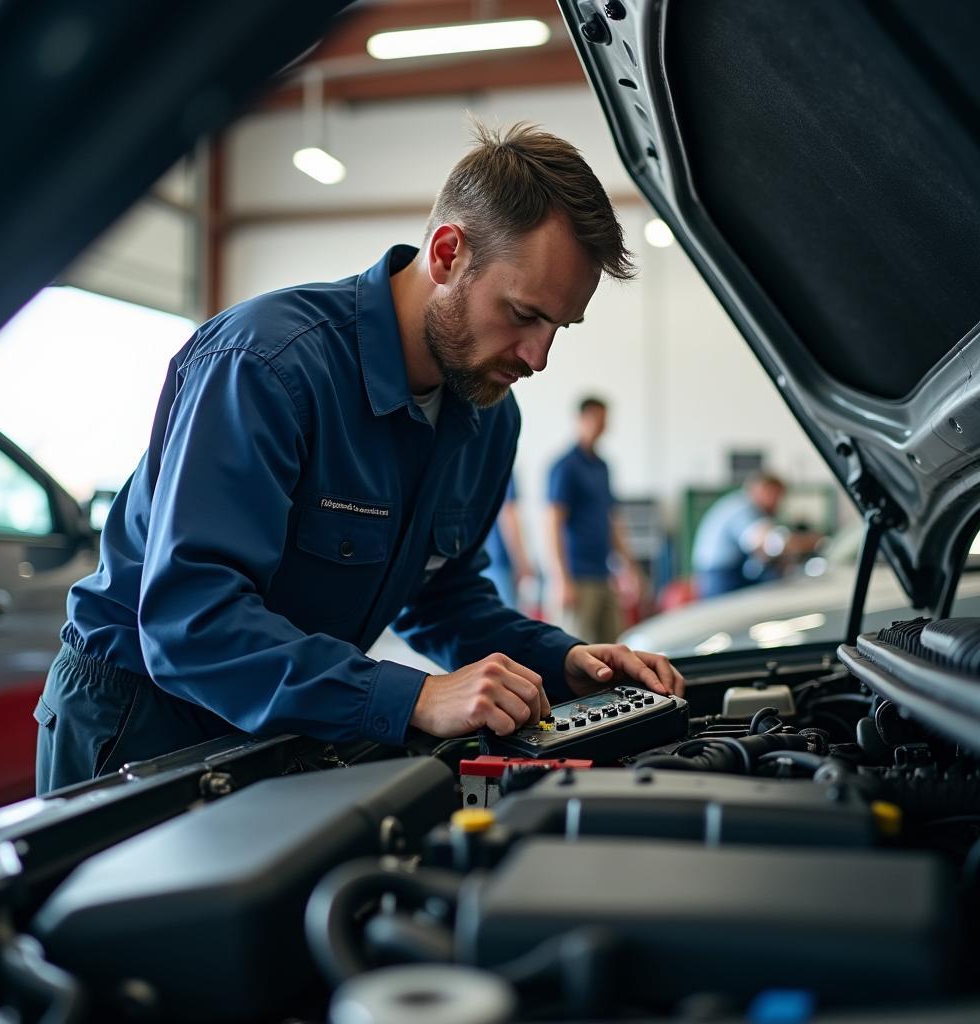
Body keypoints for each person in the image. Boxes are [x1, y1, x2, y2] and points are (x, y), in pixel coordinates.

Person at [35, 122, 684, 793]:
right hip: (143, 723)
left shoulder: (488, 412)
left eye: (558, 327)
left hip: (288, 719)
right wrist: (414, 698)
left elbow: (442, 597)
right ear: (446, 253)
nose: (538, 357)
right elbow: (191, 622)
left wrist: (564, 658)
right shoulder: (267, 366)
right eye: (523, 313)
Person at [546, 397, 641, 644]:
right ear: (581, 420)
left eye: (604, 420)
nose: (601, 426)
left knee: (613, 647)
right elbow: (552, 523)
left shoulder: (602, 467)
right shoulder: (565, 467)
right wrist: (560, 578)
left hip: (603, 574)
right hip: (576, 577)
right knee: (577, 649)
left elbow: (612, 520)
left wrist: (629, 567)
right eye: (595, 419)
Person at [691, 473, 820, 598]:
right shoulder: (742, 508)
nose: (778, 504)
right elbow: (769, 542)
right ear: (766, 490)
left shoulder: (742, 504)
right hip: (722, 577)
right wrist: (812, 542)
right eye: (777, 496)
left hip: (723, 574)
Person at [480, 476, 534, 610]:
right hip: (501, 562)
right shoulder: (503, 467)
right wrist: (521, 562)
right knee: (505, 614)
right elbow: (507, 515)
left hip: (481, 558)